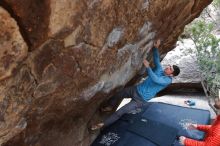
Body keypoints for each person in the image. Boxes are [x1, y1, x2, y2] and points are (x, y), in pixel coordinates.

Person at [90, 39, 180, 130]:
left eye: (170, 69)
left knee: (120, 112)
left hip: (140, 100)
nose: (168, 67)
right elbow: (156, 59)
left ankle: (101, 125)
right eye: (169, 66)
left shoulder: (167, 81)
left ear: (171, 74)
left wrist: (148, 67)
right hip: (136, 89)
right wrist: (156, 48)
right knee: (118, 93)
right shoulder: (160, 70)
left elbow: (156, 79)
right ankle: (109, 106)